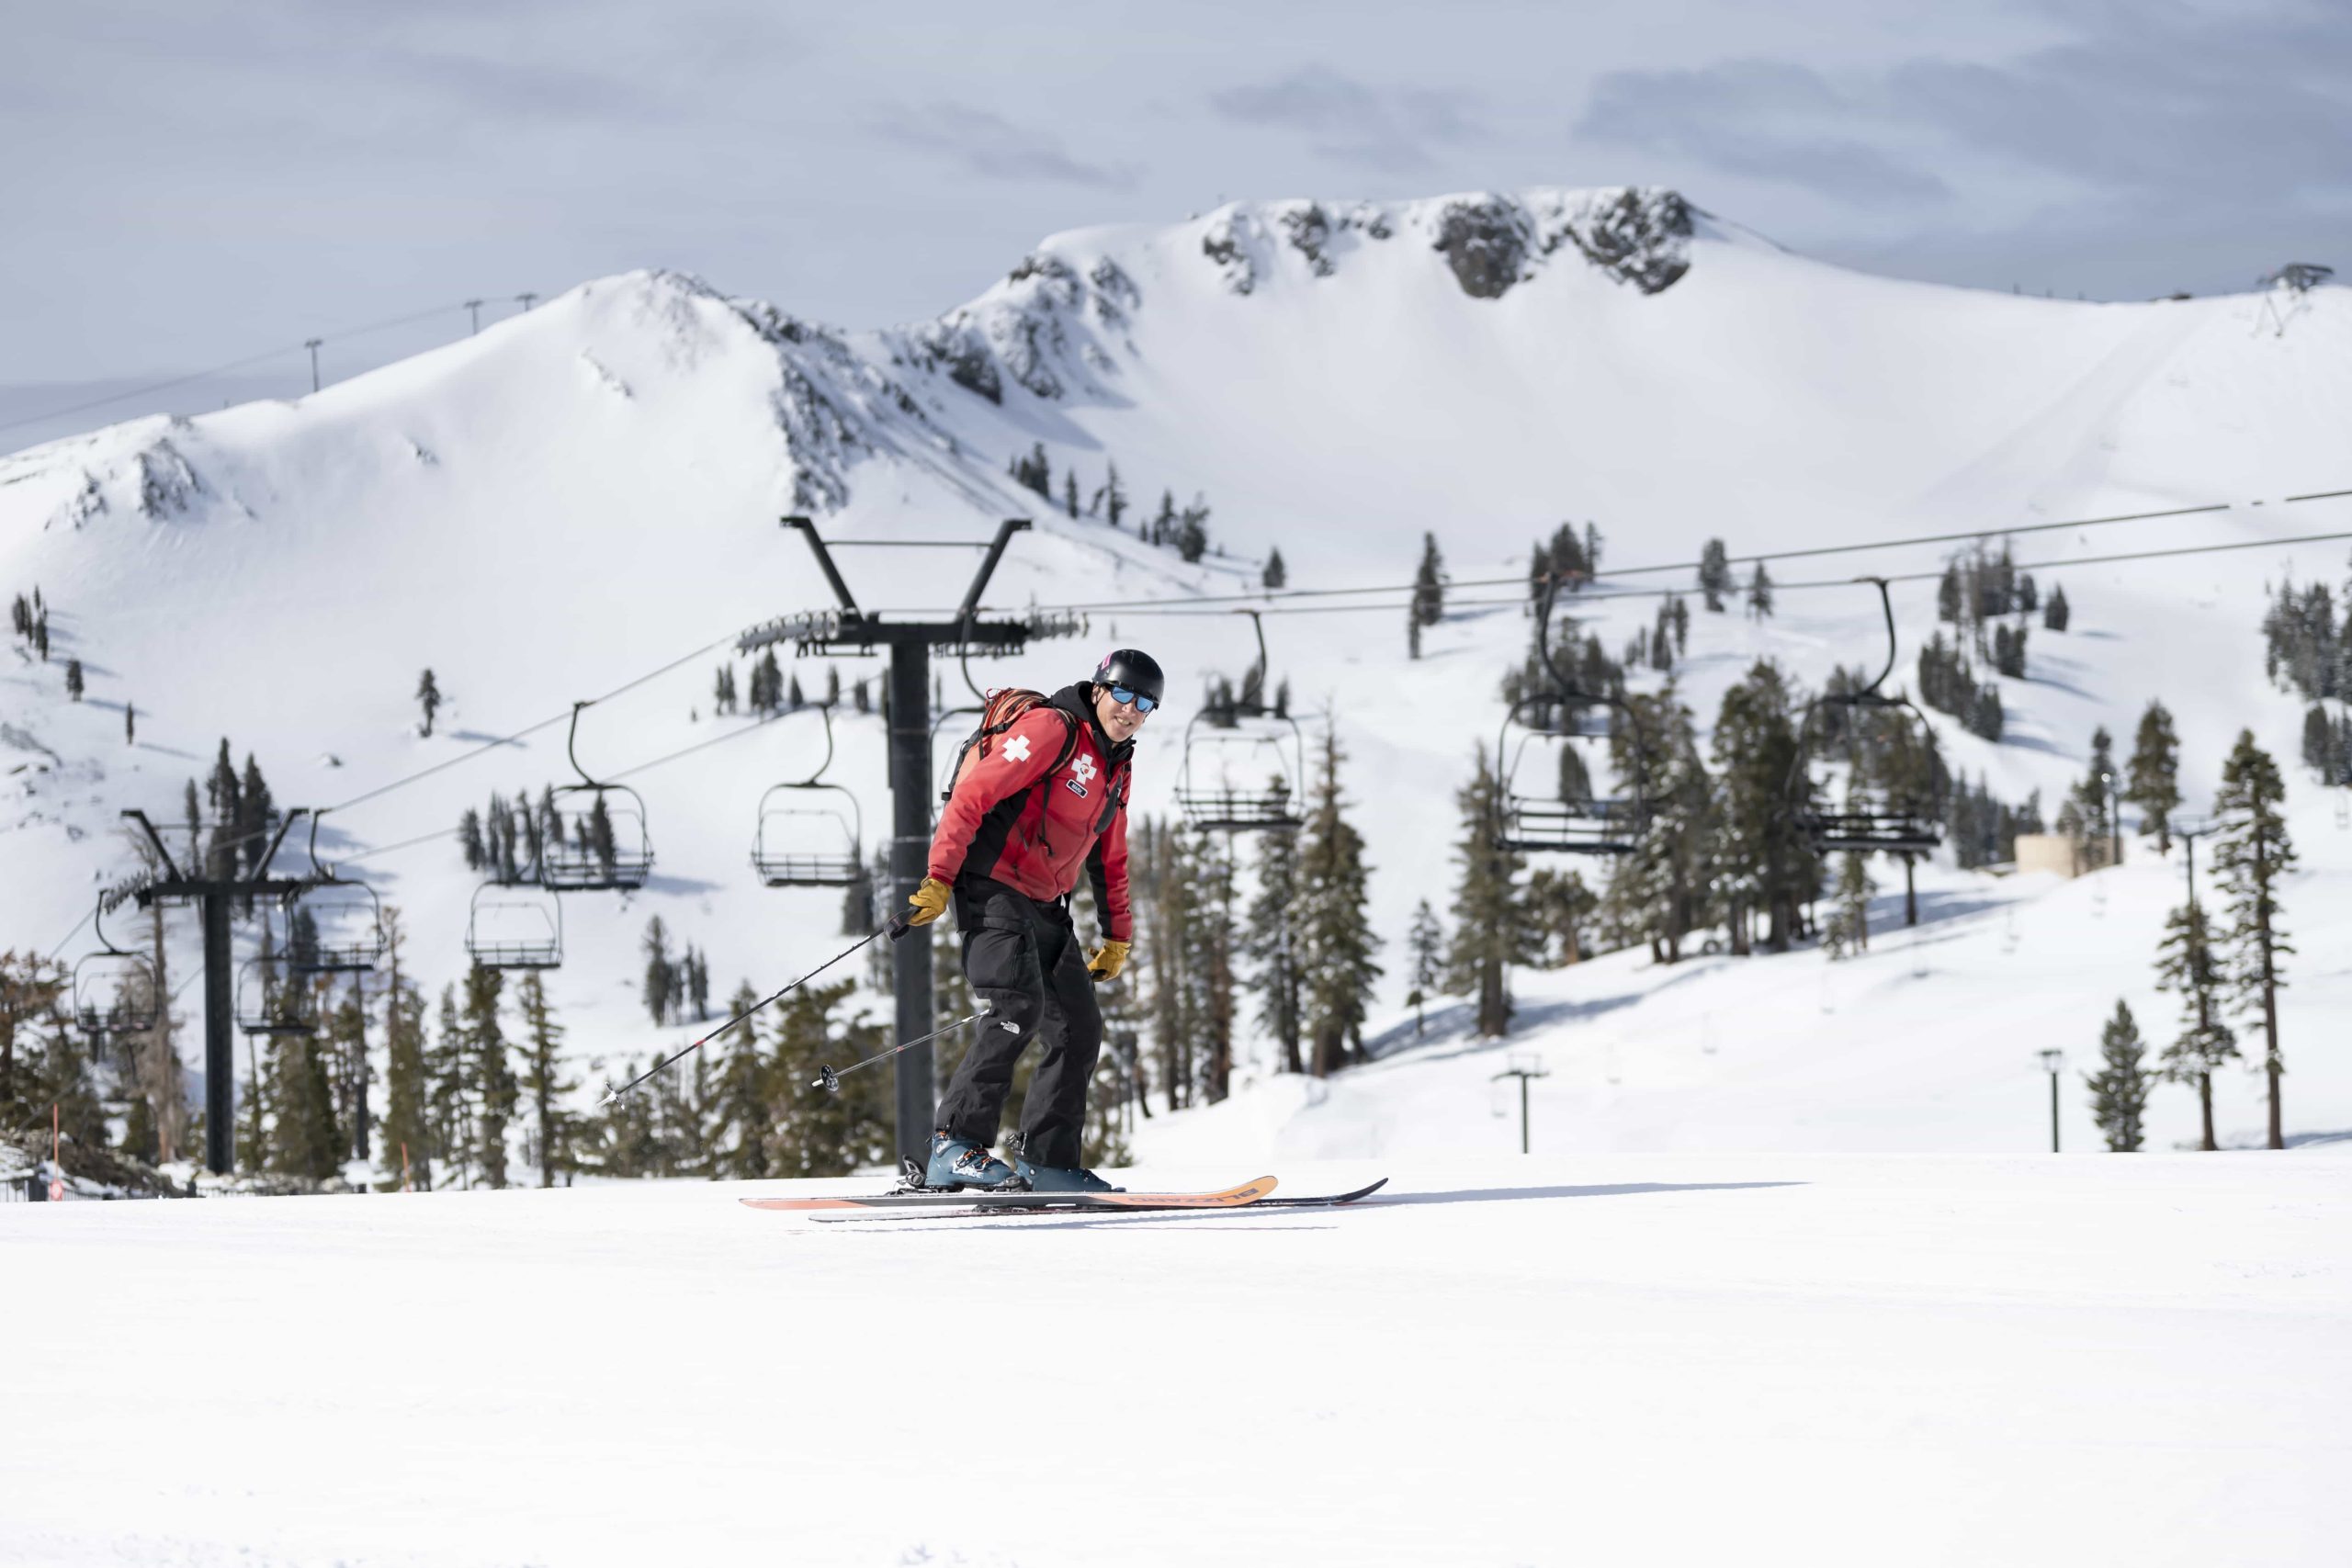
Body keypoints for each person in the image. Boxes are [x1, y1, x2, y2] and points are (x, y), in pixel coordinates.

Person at [904, 649, 1162, 1192]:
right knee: (1016, 1005)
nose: (1132, 710)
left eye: (1146, 703)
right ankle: (954, 1144)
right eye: (1124, 694)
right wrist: (939, 876)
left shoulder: (1118, 766)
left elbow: (1110, 854)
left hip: (1044, 903)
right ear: (1099, 689)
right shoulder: (1053, 729)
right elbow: (974, 795)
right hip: (991, 885)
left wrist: (1118, 935)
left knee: (1079, 1027)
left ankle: (1048, 1161)